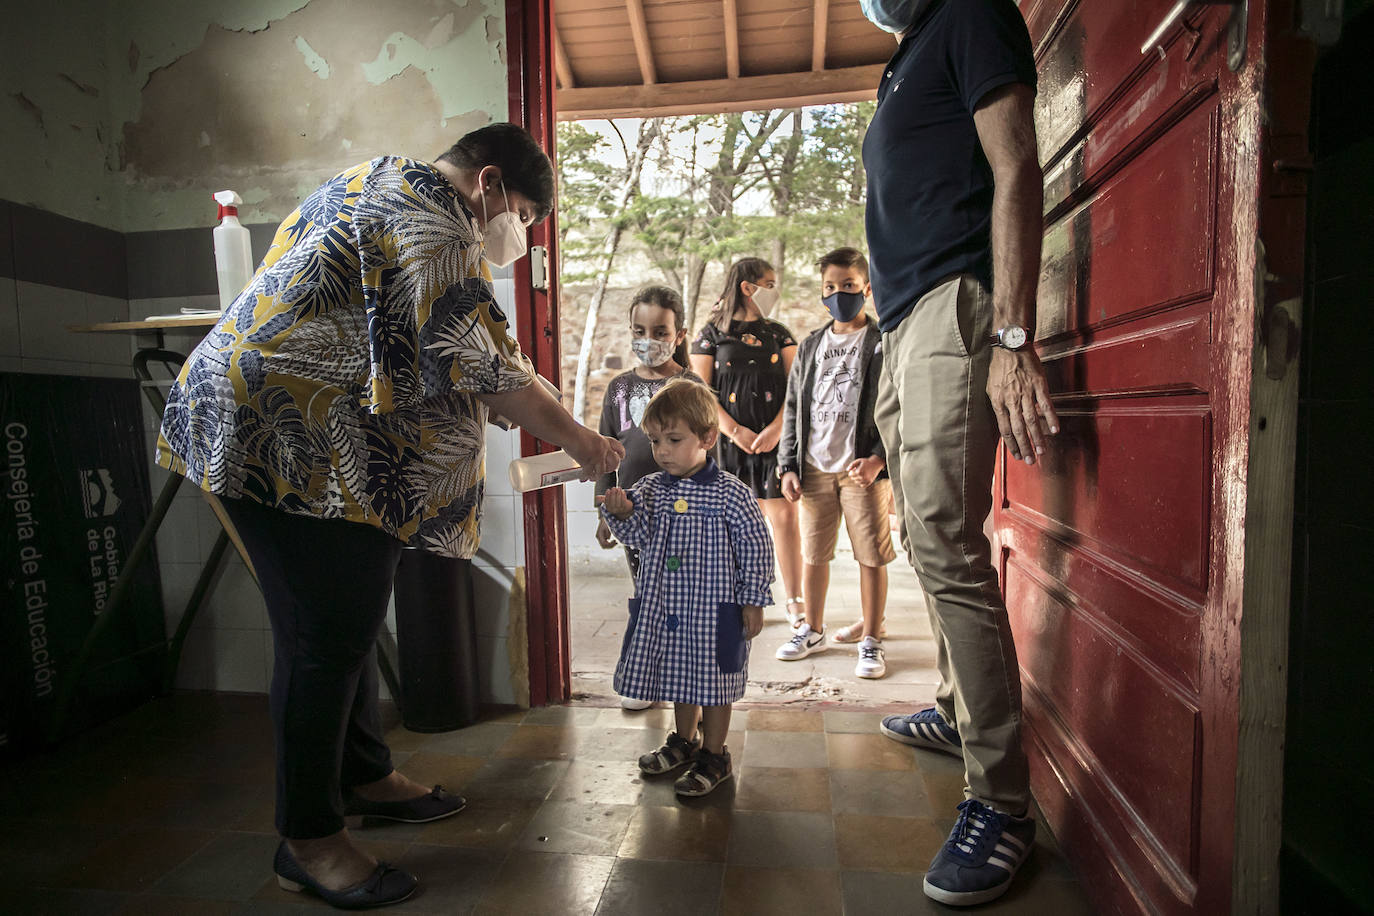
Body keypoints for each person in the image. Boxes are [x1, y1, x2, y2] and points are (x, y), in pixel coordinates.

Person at [157, 123, 624, 909]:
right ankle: (307, 839)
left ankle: (365, 774)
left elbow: (410, 341)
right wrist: (585, 443)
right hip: (280, 434)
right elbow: (486, 366)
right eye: (524, 217)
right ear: (490, 184)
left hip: (286, 426)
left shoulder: (378, 177)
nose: (516, 236)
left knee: (346, 616)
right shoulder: (438, 219)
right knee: (324, 634)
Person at [858, 0, 1061, 907]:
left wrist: (1013, 337)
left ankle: (1003, 805)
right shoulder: (903, 56)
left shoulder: (973, 12)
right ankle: (954, 706)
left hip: (956, 301)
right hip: (900, 324)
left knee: (946, 541)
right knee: (922, 537)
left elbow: (1016, 164)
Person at [599, 378, 774, 797]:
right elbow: (637, 534)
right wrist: (621, 513)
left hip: (718, 613)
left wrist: (754, 600)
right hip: (669, 610)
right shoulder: (652, 489)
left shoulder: (731, 494)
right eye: (656, 440)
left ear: (707, 437)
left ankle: (715, 754)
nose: (662, 451)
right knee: (681, 678)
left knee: (715, 684)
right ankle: (684, 740)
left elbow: (756, 547)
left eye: (674, 439)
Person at [775, 247, 896, 678]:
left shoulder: (883, 342)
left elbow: (896, 404)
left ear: (866, 288)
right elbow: (794, 408)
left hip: (861, 471)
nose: (839, 294)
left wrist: (879, 459)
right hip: (813, 467)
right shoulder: (810, 346)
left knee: (871, 557)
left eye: (848, 286)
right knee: (814, 554)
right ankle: (812, 629)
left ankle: (872, 640)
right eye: (831, 287)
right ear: (821, 293)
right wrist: (787, 465)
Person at [592, 285, 705, 710]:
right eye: (640, 330)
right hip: (636, 517)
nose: (649, 340)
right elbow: (605, 451)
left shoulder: (689, 385)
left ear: (679, 334)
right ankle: (648, 676)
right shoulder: (619, 388)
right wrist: (606, 509)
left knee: (680, 598)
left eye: (660, 332)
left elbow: (706, 451)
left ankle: (684, 674)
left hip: (683, 516)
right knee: (646, 594)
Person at [688, 258, 804, 626]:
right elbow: (701, 393)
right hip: (726, 442)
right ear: (747, 287)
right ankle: (736, 595)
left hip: (775, 440)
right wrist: (736, 432)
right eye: (769, 283)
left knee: (784, 517)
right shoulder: (709, 335)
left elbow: (797, 388)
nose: (775, 289)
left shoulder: (780, 334)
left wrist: (775, 430)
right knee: (731, 523)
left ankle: (796, 601)